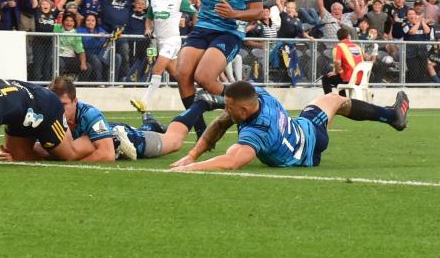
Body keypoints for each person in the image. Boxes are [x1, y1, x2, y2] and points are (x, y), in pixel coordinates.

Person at [162, 0, 263, 137]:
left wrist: (234, 13)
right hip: (203, 28)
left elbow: (257, 11)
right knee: (182, 74)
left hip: (229, 31)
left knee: (205, 78)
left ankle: (254, 102)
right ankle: (200, 131)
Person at [171, 81, 409, 171]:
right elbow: (222, 122)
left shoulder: (258, 131)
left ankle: (392, 115)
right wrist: (192, 154)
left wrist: (190, 166)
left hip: (308, 146)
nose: (226, 110)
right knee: (334, 100)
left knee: (334, 99)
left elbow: (232, 161)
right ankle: (390, 116)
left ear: (244, 110)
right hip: (304, 131)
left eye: (230, 107)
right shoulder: (258, 95)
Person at [131, 0, 197, 112]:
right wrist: (148, 28)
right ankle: (198, 97)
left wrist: (195, 30)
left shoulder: (179, 0)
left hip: (172, 40)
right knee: (179, 76)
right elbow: (149, 18)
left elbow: (195, 13)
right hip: (159, 41)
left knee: (157, 69)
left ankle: (144, 102)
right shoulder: (154, 0)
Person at [322, 28, 364, 94]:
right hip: (362, 79)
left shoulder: (339, 47)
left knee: (326, 78)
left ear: (338, 38)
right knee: (340, 77)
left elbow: (337, 62)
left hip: (350, 79)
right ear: (348, 36)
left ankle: (331, 100)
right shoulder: (357, 46)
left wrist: (335, 72)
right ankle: (343, 98)